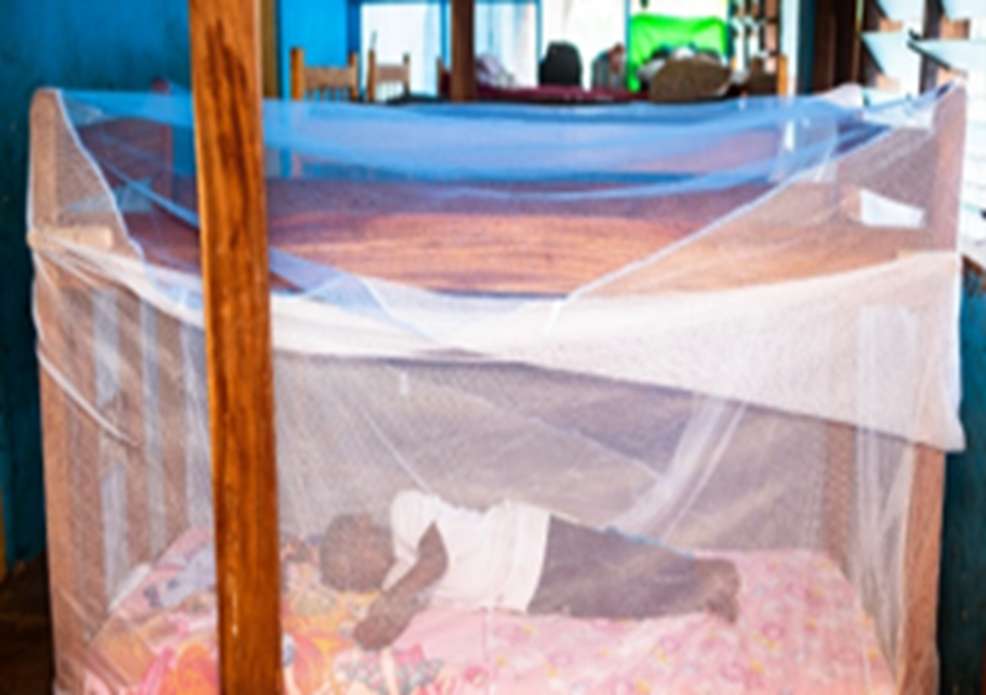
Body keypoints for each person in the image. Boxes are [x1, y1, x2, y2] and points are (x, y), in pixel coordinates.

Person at [320, 490, 740, 651]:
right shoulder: (395, 583)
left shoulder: (402, 511)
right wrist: (369, 636)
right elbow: (395, 623)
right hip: (527, 592)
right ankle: (695, 591)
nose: (359, 574)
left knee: (618, 557)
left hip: (531, 539)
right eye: (351, 579)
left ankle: (693, 566)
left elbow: (435, 561)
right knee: (619, 600)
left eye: (352, 559)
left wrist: (391, 602)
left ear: (362, 523)